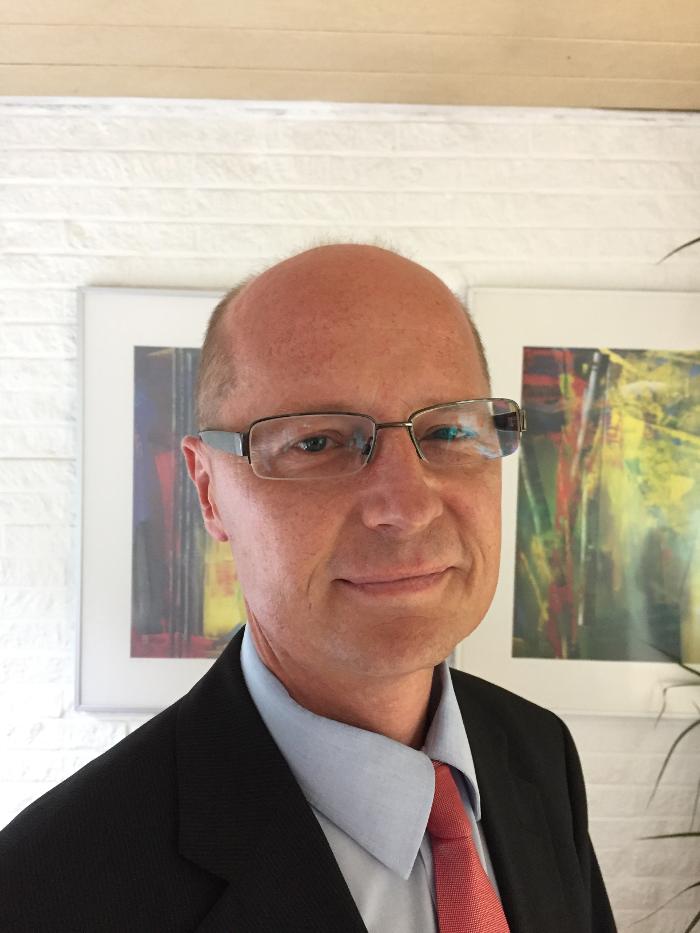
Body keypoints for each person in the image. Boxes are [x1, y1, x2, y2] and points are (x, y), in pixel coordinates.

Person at [0, 244, 616, 933]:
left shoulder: (537, 752)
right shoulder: (48, 888)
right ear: (209, 490)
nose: (407, 506)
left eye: (449, 430)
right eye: (318, 443)